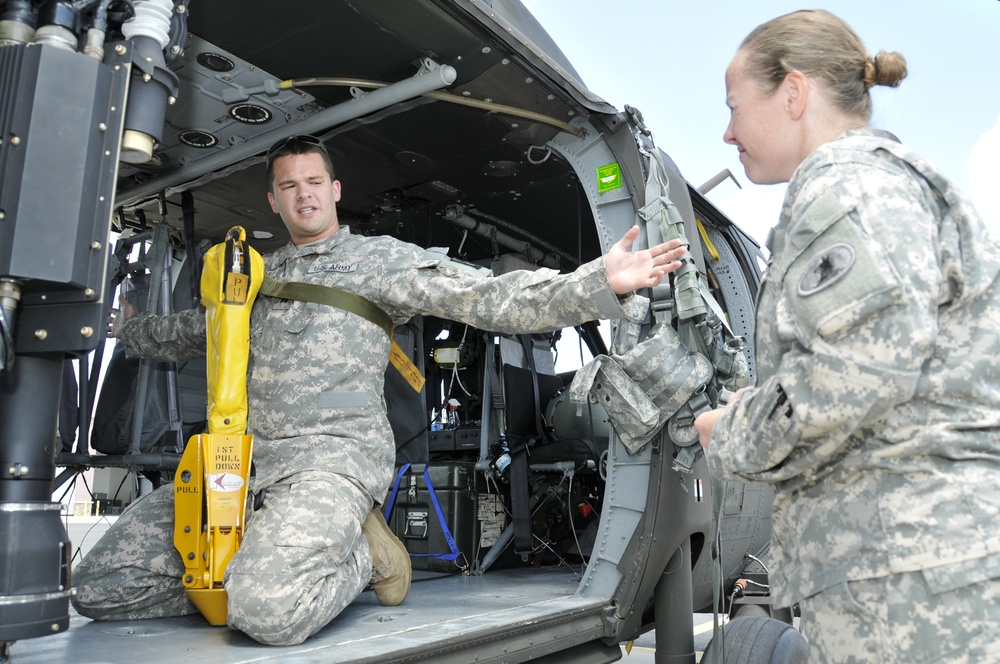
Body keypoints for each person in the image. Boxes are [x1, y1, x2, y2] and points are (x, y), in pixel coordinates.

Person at [72, 134, 688, 646]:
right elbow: (192, 333)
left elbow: (481, 296)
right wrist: (129, 332)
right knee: (100, 586)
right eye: (289, 186)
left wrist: (596, 284)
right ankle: (270, 565)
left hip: (328, 462)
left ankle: (363, 557)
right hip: (238, 465)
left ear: (334, 190)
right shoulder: (253, 277)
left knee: (268, 613)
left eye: (313, 181)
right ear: (274, 200)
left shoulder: (377, 262)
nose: (303, 194)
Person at [693, 9, 1000, 663]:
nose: (727, 132)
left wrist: (734, 431)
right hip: (915, 569)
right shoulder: (878, 182)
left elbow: (859, 371)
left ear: (794, 93)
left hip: (907, 582)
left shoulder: (850, 189)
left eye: (735, 106)